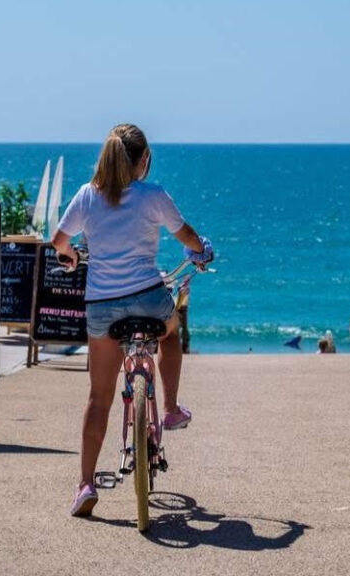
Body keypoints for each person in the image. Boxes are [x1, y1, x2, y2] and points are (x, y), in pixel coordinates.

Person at [52, 124, 213, 517]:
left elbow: (58, 240)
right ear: (142, 161)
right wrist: (203, 250)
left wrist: (71, 255)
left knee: (99, 396)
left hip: (103, 307)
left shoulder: (87, 197)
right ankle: (171, 407)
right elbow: (188, 236)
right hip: (147, 298)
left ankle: (86, 484)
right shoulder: (152, 196)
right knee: (171, 333)